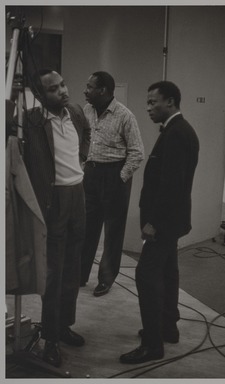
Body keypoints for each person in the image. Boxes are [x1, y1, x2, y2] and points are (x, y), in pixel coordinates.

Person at [8, 69, 91, 367]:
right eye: (54, 89)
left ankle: (64, 325)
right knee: (53, 273)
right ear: (42, 95)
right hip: (53, 201)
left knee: (73, 269)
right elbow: (9, 136)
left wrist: (82, 158)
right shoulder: (31, 121)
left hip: (78, 197)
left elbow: (87, 134)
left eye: (63, 84)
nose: (63, 91)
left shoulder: (77, 112)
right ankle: (51, 339)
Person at [120, 81, 199, 364]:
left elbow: (171, 186)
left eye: (154, 102)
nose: (149, 107)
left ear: (171, 102)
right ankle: (167, 327)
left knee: (146, 274)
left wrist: (153, 222)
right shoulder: (177, 130)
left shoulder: (177, 134)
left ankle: (153, 345)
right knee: (168, 271)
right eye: (149, 102)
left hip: (163, 221)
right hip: (172, 220)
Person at [80, 71, 144, 297]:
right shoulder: (86, 111)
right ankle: (80, 274)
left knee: (113, 231)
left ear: (103, 90)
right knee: (87, 226)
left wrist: (120, 177)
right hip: (91, 173)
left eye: (89, 87)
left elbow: (137, 153)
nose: (85, 90)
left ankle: (105, 279)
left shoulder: (125, 116)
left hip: (114, 175)